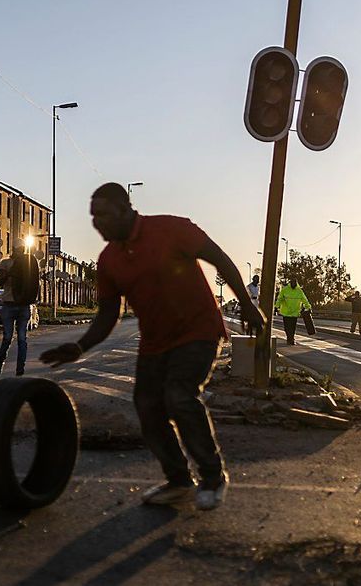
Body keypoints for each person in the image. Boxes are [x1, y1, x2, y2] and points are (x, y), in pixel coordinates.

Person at [41, 183, 264, 511]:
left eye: (102, 214)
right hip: (155, 343)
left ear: (125, 208)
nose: (96, 222)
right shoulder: (108, 260)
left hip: (198, 331)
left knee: (179, 395)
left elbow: (220, 259)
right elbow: (107, 315)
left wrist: (246, 304)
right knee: (147, 407)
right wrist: (79, 346)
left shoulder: (172, 229)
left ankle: (213, 477)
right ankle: (178, 481)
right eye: (92, 216)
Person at [0, 243, 40, 376]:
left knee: (22, 338)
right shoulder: (6, 263)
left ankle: (20, 369)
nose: (19, 252)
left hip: (24, 305)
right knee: (7, 337)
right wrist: (10, 274)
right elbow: (0, 282)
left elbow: (33, 281)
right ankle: (0, 362)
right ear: (13, 250)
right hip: (8, 304)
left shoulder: (28, 265)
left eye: (21, 250)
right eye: (17, 249)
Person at [275, 277, 311, 345]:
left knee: (292, 327)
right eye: (292, 283)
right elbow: (280, 299)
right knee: (287, 327)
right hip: (286, 312)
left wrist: (308, 307)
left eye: (295, 283)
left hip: (295, 312)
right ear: (290, 283)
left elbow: (304, 299)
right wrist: (276, 306)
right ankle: (289, 338)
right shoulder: (285, 290)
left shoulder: (299, 291)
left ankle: (291, 339)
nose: (293, 284)